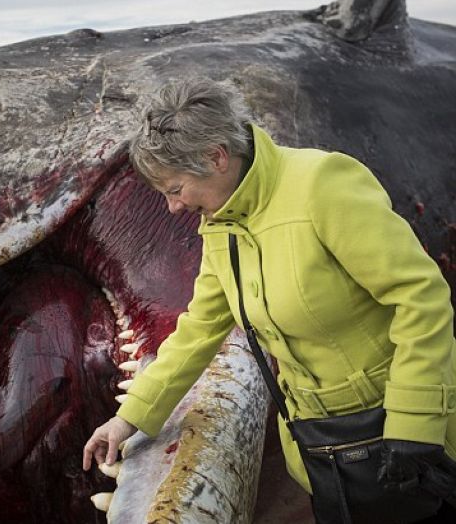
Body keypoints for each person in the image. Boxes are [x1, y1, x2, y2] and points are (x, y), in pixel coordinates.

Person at [82, 78, 456, 520]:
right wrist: (130, 418)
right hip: (320, 449)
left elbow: (421, 296)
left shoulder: (323, 184)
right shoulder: (223, 227)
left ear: (216, 157)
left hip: (395, 436)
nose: (173, 208)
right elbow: (199, 330)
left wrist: (414, 424)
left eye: (175, 189)